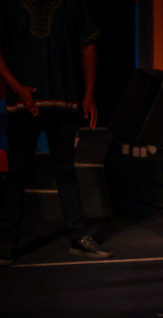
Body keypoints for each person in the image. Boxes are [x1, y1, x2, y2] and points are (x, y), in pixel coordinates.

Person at [0, 0, 111, 265]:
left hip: (63, 101)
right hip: (23, 102)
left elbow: (88, 45)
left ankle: (78, 236)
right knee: (17, 172)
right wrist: (16, 88)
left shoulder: (72, 3)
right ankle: (6, 242)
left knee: (65, 170)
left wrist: (89, 95)